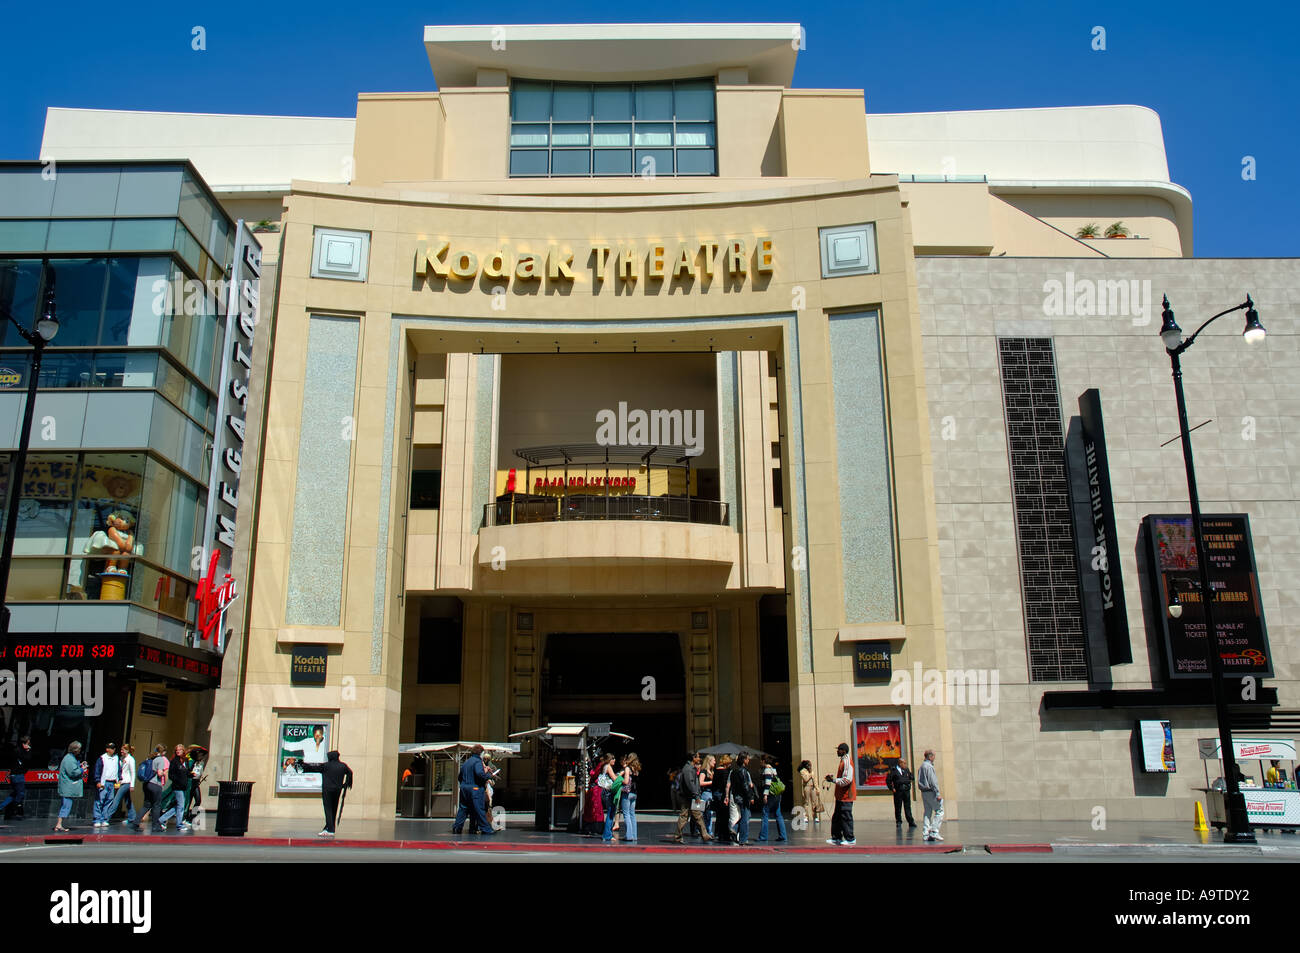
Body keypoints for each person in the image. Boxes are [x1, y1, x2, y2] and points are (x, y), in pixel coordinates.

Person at [299, 750, 354, 836]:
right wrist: (345, 784)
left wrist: (303, 765)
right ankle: (329, 826)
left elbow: (314, 768)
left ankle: (330, 829)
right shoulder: (343, 766)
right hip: (337, 790)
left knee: (328, 808)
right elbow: (350, 773)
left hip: (328, 790)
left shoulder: (326, 766)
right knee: (334, 808)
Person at [451, 744, 494, 835]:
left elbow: (460, 776)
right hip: (475, 788)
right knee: (479, 809)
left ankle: (457, 827)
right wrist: (489, 776)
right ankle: (486, 829)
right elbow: (479, 774)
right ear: (481, 753)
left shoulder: (467, 762)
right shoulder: (477, 761)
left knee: (463, 808)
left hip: (464, 788)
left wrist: (464, 784)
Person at [673, 752, 712, 843]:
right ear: (693, 758)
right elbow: (690, 784)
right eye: (697, 757)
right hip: (688, 798)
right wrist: (696, 795)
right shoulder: (688, 769)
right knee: (684, 816)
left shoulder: (691, 768)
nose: (699, 759)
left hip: (691, 797)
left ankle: (705, 835)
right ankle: (677, 836)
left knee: (698, 815)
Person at [826, 742, 856, 846]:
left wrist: (833, 780)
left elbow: (847, 780)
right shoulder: (843, 761)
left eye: (839, 749)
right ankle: (836, 837)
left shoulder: (847, 762)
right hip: (840, 796)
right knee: (837, 817)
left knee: (846, 817)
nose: (837, 751)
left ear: (843, 751)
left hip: (846, 796)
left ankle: (850, 838)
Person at [158, 744, 192, 832]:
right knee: (181, 806)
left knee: (179, 806)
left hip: (184, 786)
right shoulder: (174, 761)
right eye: (177, 750)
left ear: (183, 751)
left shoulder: (185, 761)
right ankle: (179, 825)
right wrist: (178, 780)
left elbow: (186, 772)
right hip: (177, 787)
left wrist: (191, 774)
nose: (178, 751)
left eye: (180, 750)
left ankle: (162, 819)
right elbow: (171, 775)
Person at [134, 744, 168, 832]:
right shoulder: (160, 759)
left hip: (146, 784)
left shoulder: (149, 758)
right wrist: (164, 773)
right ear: (163, 752)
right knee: (156, 806)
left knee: (146, 805)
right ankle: (155, 826)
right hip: (155, 785)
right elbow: (160, 773)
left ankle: (136, 822)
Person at [54, 741, 85, 832]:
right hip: (67, 787)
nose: (80, 751)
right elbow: (73, 772)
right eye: (79, 749)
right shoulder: (69, 759)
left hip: (67, 786)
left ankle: (59, 824)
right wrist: (82, 769)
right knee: (66, 805)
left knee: (66, 805)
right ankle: (59, 824)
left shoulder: (70, 758)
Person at [107, 743, 138, 827]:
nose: (121, 751)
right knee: (128, 800)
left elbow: (133, 772)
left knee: (116, 800)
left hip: (127, 783)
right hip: (121, 782)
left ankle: (106, 818)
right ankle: (133, 817)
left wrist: (132, 785)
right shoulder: (121, 759)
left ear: (127, 751)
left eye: (122, 750)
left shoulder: (131, 759)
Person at [0, 735, 31, 820]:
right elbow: (27, 759)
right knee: (20, 794)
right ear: (26, 743)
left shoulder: (16, 750)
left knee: (14, 794)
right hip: (18, 775)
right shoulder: (20, 751)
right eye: (28, 743)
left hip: (14, 775)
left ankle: (1, 807)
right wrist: (28, 750)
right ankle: (13, 810)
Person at [92, 741, 121, 829]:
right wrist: (98, 781)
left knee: (109, 801)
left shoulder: (116, 758)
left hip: (112, 782)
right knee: (99, 801)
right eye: (111, 748)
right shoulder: (102, 758)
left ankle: (104, 819)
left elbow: (119, 769)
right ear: (107, 749)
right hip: (104, 782)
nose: (113, 750)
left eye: (114, 748)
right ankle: (97, 819)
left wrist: (119, 779)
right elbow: (97, 770)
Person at [758, 754, 787, 842]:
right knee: (778, 814)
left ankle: (763, 836)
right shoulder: (773, 769)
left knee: (765, 813)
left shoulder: (767, 770)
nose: (760, 762)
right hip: (777, 794)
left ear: (763, 761)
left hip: (770, 795)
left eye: (761, 760)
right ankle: (783, 835)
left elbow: (768, 783)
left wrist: (765, 795)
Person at [729, 751, 756, 845]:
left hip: (737, 796)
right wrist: (750, 796)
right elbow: (745, 786)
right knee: (745, 817)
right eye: (748, 759)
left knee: (745, 816)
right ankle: (743, 839)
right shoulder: (743, 771)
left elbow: (733, 786)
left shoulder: (734, 771)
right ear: (744, 760)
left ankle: (735, 828)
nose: (749, 760)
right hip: (743, 797)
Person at [918, 749, 944, 842]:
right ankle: (934, 831)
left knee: (927, 812)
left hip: (924, 792)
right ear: (930, 756)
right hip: (930, 791)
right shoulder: (929, 767)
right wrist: (937, 793)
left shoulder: (921, 766)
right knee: (939, 810)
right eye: (934, 756)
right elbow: (933, 782)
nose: (934, 758)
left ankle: (925, 833)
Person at [887, 758, 916, 828]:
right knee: (898, 807)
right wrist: (892, 788)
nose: (905, 765)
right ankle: (899, 821)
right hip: (898, 790)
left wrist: (910, 776)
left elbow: (912, 777)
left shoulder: (906, 770)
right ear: (900, 763)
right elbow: (888, 780)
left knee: (907, 807)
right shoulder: (893, 770)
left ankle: (910, 821)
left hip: (906, 790)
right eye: (904, 763)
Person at [620, 753, 641, 842]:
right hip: (634, 793)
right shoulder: (637, 769)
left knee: (626, 814)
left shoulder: (628, 769)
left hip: (627, 793)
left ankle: (628, 835)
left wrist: (620, 778)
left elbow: (626, 781)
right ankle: (634, 835)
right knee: (632, 814)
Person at [713, 754, 733, 844]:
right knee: (725, 816)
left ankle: (717, 833)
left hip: (716, 794)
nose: (730, 765)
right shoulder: (725, 772)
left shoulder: (716, 770)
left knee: (719, 816)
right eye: (729, 763)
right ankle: (724, 834)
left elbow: (714, 784)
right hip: (722, 795)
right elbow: (726, 785)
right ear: (726, 763)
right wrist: (727, 796)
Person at [799, 759, 825, 827]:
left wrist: (817, 788)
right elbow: (805, 779)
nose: (810, 766)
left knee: (814, 802)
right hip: (806, 787)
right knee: (806, 802)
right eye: (808, 765)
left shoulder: (812, 771)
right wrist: (810, 774)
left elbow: (815, 780)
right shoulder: (803, 771)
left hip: (812, 787)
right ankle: (806, 816)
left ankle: (815, 816)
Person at [600, 753, 619, 842]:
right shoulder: (608, 767)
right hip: (608, 792)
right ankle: (607, 834)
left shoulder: (604, 766)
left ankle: (608, 833)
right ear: (609, 760)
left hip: (604, 791)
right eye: (613, 758)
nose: (614, 760)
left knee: (610, 812)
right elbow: (614, 778)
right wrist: (620, 775)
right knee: (611, 813)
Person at [699, 754, 717, 836]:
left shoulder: (712, 771)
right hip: (705, 793)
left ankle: (708, 830)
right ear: (709, 761)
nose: (715, 762)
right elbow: (700, 782)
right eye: (714, 760)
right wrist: (711, 782)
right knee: (704, 813)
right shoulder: (704, 771)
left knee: (709, 814)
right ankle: (704, 830)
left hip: (711, 793)